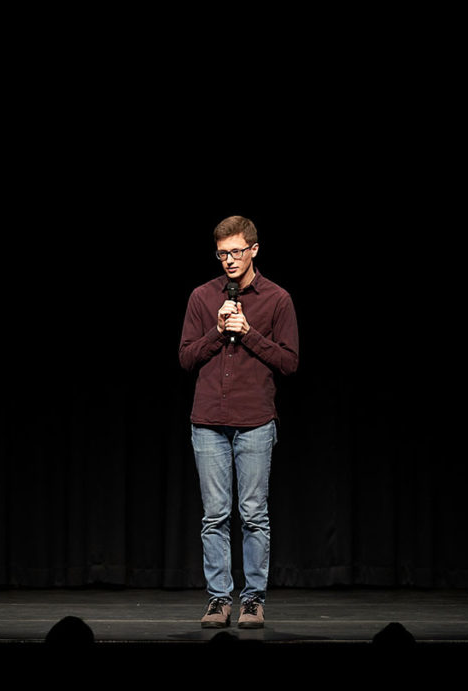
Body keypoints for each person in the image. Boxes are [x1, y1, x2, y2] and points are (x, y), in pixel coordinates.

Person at [178, 215, 299, 630]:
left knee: (253, 515)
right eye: (221, 253)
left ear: (254, 250)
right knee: (214, 516)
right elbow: (186, 358)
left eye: (235, 251)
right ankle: (218, 600)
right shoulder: (202, 297)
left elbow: (289, 362)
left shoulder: (277, 299)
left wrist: (247, 331)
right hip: (209, 420)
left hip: (255, 421)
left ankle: (252, 601)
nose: (228, 260)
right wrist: (216, 330)